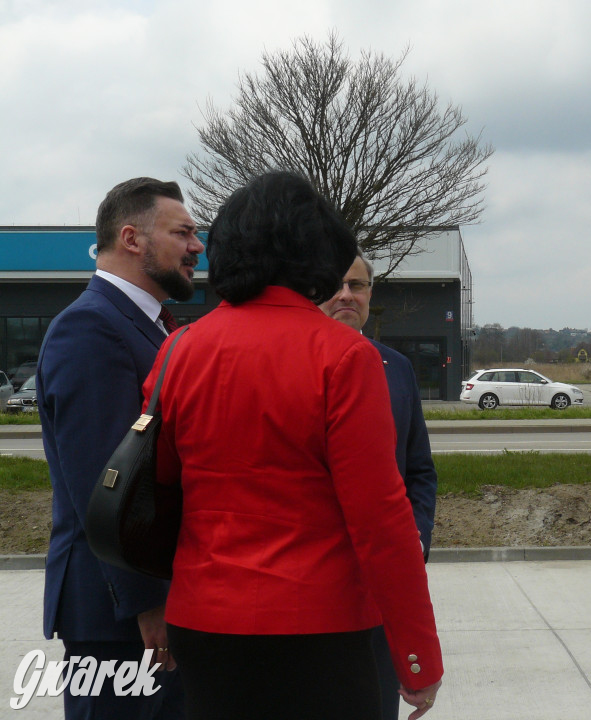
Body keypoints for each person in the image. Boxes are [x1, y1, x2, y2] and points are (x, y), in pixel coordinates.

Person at [147, 171, 443, 720]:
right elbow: (380, 518)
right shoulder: (344, 357)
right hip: (320, 626)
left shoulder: (179, 350)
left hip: (206, 620)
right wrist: (417, 657)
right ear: (316, 252)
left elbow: (161, 485)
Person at [37, 177, 204, 719]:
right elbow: (105, 485)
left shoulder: (148, 326)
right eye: (183, 233)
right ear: (131, 239)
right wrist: (148, 603)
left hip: (145, 608)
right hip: (118, 619)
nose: (197, 247)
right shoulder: (90, 327)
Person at [320, 252, 438, 720]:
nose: (346, 295)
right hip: (320, 589)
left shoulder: (397, 369)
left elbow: (420, 470)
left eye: (358, 285)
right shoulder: (298, 364)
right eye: (336, 285)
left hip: (383, 585)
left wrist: (416, 536)